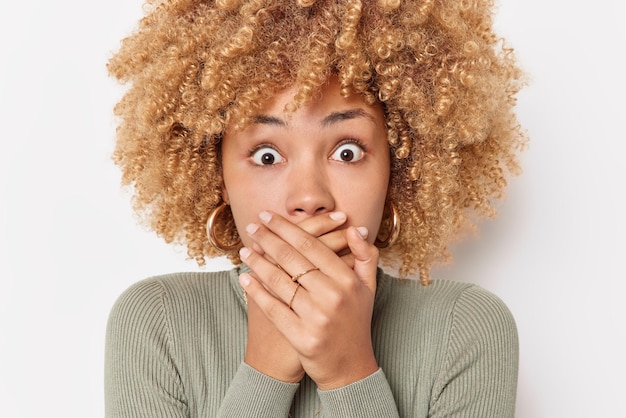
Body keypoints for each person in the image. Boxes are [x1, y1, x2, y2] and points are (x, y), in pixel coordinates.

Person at [104, 0, 526, 416]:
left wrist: (348, 373)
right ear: (219, 179)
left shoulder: (467, 327)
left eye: (346, 152)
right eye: (267, 156)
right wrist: (264, 372)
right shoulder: (156, 321)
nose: (309, 197)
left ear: (398, 170)